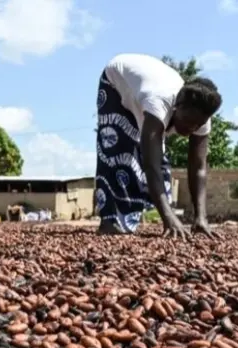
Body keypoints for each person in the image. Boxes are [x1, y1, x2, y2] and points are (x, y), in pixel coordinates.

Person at [95, 53, 222, 238]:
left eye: (197, 124)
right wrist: (168, 218)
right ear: (177, 107)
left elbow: (199, 168)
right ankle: (109, 221)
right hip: (116, 83)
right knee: (117, 150)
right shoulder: (159, 101)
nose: (191, 129)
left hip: (146, 90)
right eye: (187, 121)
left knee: (161, 164)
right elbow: (150, 163)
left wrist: (200, 217)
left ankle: (139, 217)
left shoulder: (202, 118)